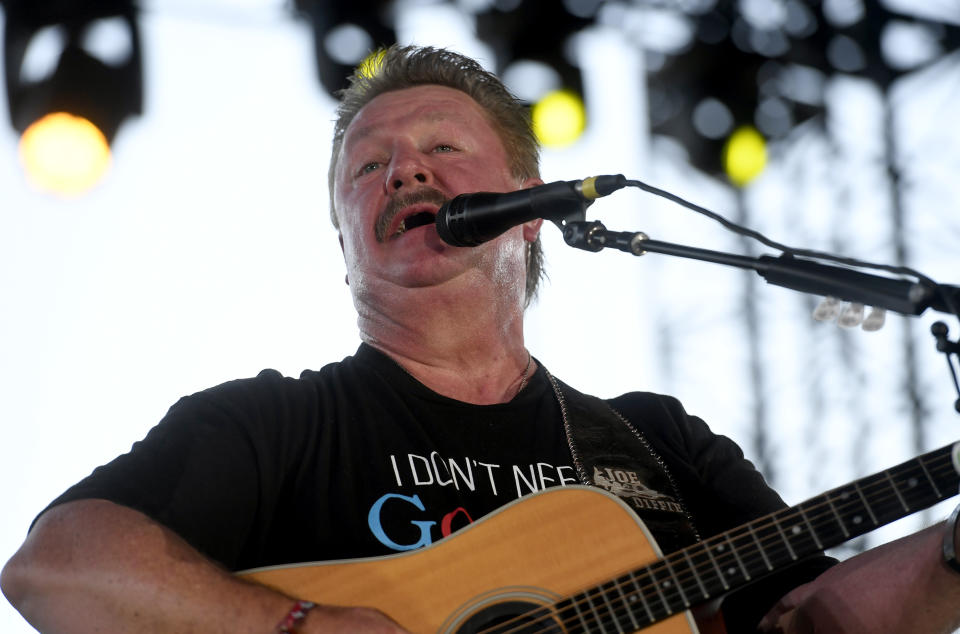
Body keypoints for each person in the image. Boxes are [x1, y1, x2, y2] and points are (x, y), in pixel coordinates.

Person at [2, 44, 959, 634]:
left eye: (443, 149)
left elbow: (815, 619)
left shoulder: (658, 441)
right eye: (368, 166)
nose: (403, 171)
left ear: (532, 209)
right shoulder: (275, 424)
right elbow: (55, 568)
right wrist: (296, 623)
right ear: (344, 242)